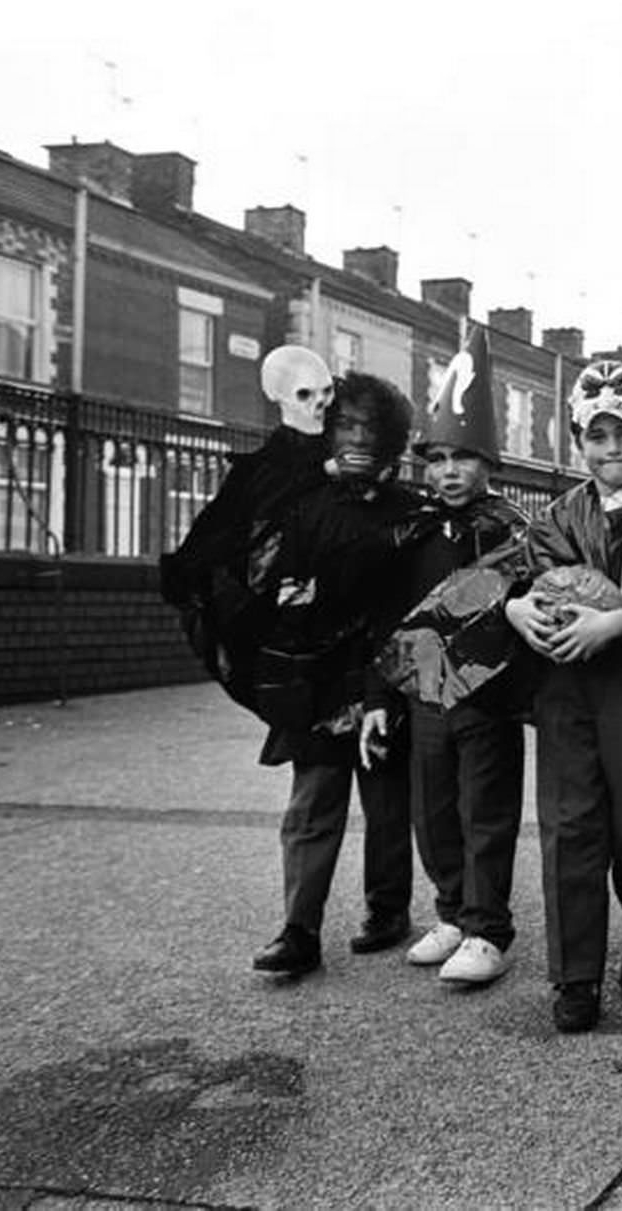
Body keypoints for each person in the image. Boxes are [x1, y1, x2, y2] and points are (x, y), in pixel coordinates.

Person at [503, 360, 622, 1034]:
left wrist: (608, 624)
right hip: (566, 680)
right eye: (598, 437)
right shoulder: (557, 515)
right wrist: (516, 610)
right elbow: (517, 585)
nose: (613, 450)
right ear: (578, 443)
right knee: (570, 826)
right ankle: (576, 976)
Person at [363, 327, 530, 987]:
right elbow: (388, 618)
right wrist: (379, 697)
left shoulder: (510, 533)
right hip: (426, 698)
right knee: (432, 812)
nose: (449, 471)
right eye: (437, 459)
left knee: (485, 813)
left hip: (488, 699)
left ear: (489, 462)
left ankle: (488, 928)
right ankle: (453, 912)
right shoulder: (414, 532)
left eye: (463, 457)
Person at [249, 371, 422, 977]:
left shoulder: (410, 512)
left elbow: (408, 605)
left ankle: (388, 909)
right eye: (345, 424)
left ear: (391, 439)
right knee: (312, 803)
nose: (357, 438)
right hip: (318, 678)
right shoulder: (304, 505)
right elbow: (274, 582)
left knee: (386, 801)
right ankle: (299, 929)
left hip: (383, 674)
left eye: (370, 427)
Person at [160, 345, 335, 712]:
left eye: (327, 391)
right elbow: (221, 531)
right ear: (278, 397)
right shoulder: (260, 471)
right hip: (280, 609)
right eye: (305, 394)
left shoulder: (341, 448)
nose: (320, 403)